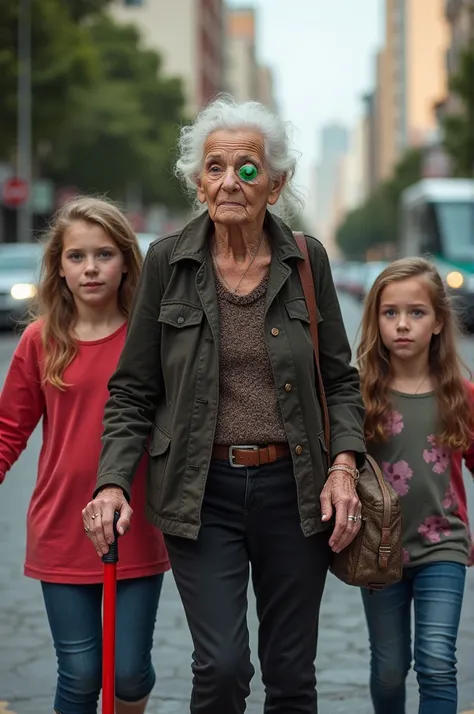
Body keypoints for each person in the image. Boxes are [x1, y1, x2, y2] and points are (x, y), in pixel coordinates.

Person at [83, 96, 366, 714]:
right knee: (222, 666)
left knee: (292, 674)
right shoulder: (167, 261)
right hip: (199, 488)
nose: (230, 182)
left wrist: (343, 467)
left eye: (247, 167)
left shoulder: (306, 259)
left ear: (277, 181)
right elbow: (133, 389)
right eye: (215, 167)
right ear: (197, 180)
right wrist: (112, 484)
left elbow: (340, 380)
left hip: (297, 489)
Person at [0, 197, 169, 714]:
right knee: (78, 673)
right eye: (76, 256)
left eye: (104, 254)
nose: (91, 268)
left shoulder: (152, 340)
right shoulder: (39, 340)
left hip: (135, 525)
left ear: (126, 262)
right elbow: (8, 429)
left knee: (128, 672)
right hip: (61, 526)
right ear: (60, 266)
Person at [357, 257, 474, 714]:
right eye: (390, 313)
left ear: (439, 322)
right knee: (389, 666)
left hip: (442, 548)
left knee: (437, 659)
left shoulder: (460, 395)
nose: (402, 324)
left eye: (417, 312)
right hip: (377, 555)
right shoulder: (361, 393)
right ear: (376, 320)